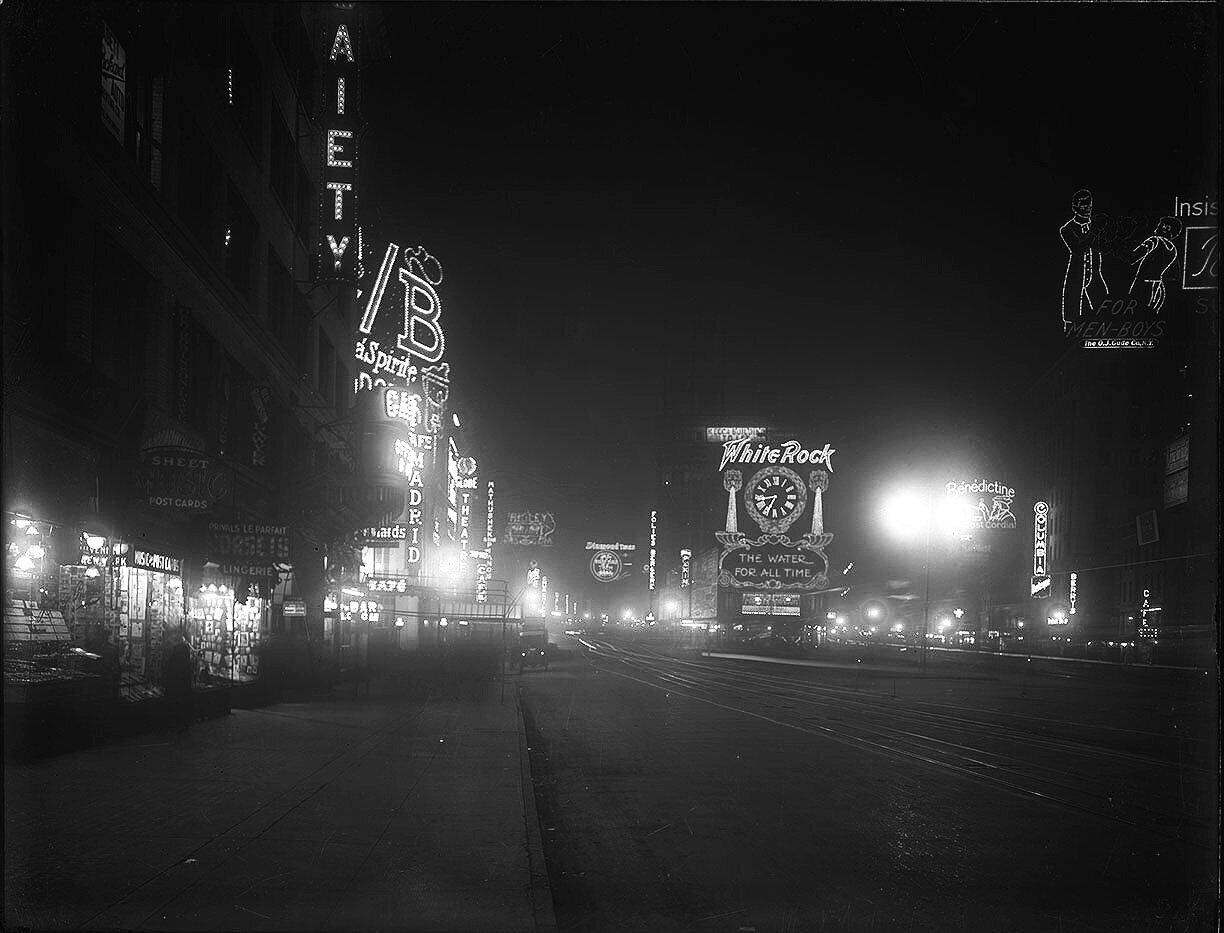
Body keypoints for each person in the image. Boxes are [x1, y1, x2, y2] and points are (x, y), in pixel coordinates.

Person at [163, 628, 193, 731]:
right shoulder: (184, 649)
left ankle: (177, 723)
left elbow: (171, 666)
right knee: (182, 704)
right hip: (183, 682)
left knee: (177, 703)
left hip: (176, 682)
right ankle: (183, 724)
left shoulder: (176, 650)